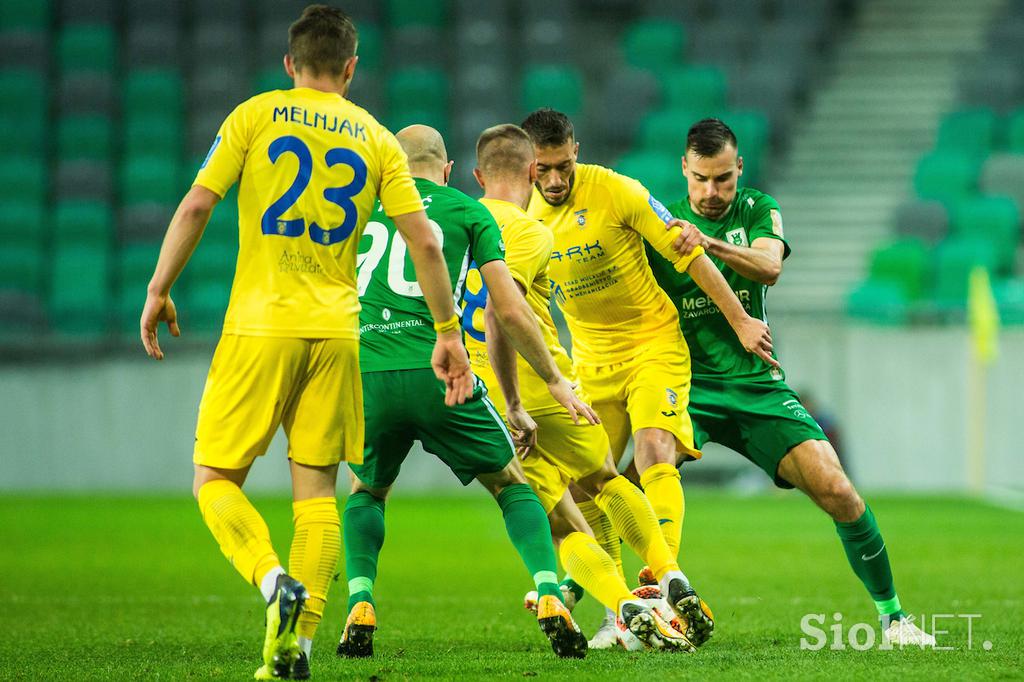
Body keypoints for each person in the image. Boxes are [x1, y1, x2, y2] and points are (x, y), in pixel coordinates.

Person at [139, 7, 474, 679]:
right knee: (317, 492)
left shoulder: (254, 115)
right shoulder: (379, 139)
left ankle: (272, 582)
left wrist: (158, 289)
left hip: (260, 325)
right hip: (336, 332)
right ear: (351, 69)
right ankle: (300, 648)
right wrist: (448, 332)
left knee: (214, 481)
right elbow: (427, 241)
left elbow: (196, 206)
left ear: (289, 64)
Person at [648, 117, 934, 647]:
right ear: (683, 170)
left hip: (757, 384)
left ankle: (895, 620)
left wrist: (705, 244)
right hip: (683, 383)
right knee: (639, 482)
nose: (712, 193)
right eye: (701, 180)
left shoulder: (757, 208)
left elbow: (769, 267)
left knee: (838, 489)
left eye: (723, 180)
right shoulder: (655, 224)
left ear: (739, 170)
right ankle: (618, 615)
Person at [520, 108, 776, 647]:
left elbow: (689, 254)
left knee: (654, 450)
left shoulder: (617, 191)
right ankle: (618, 617)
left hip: (652, 344)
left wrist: (742, 320)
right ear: (527, 167)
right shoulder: (518, 215)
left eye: (565, 165)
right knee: (591, 487)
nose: (557, 179)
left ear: (577, 150)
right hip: (588, 362)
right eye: (544, 169)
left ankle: (663, 587)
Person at [340, 124, 596, 660]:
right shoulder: (467, 211)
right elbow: (508, 308)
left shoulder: (359, 212)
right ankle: (550, 592)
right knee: (511, 485)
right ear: (451, 169)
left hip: (367, 373)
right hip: (443, 371)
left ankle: (360, 602)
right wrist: (552, 379)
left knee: (367, 491)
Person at [466, 123, 696, 651]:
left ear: (477, 176)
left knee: (560, 523)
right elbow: (507, 312)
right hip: (539, 388)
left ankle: (620, 607)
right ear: (528, 171)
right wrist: (546, 386)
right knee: (606, 480)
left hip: (480, 399)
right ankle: (665, 572)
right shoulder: (529, 232)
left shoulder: (451, 223)